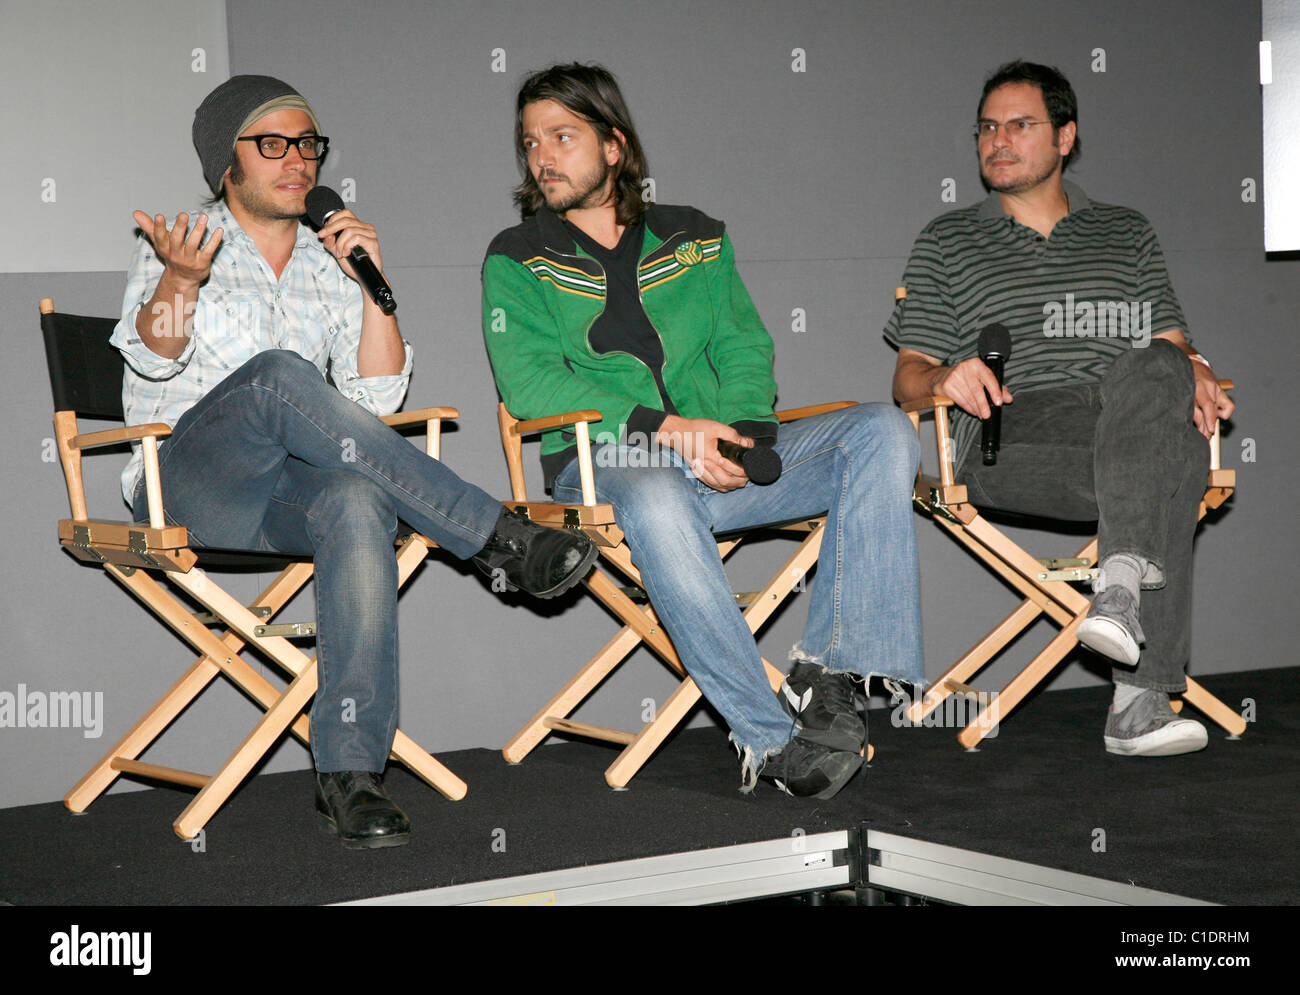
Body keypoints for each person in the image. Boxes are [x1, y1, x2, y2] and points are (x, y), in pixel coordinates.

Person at [111, 75, 596, 848]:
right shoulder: (183, 242)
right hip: (185, 483)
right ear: (224, 163)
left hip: (279, 496)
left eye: (308, 143)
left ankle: (349, 771)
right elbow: (152, 357)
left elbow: (369, 407)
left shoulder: (326, 258)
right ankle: (494, 532)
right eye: (272, 144)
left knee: (357, 498)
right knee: (277, 375)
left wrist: (373, 286)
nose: (297, 160)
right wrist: (180, 279)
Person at [481, 63, 924, 799]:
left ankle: (831, 673)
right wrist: (673, 430)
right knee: (656, 487)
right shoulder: (516, 255)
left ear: (614, 146)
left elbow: (743, 347)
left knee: (882, 430)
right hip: (607, 463)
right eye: (531, 142)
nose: (543, 157)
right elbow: (531, 382)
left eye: (563, 135)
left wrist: (744, 439)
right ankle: (767, 735)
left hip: (723, 461)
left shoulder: (697, 236)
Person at [885, 60, 1235, 757]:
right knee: (1175, 456)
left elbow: (1173, 354)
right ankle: (1139, 699)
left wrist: (1197, 369)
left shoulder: (1126, 230)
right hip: (1009, 433)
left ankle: (1119, 591)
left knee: (1166, 372)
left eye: (1020, 124)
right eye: (987, 127)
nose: (998, 140)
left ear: (1066, 137)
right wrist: (947, 377)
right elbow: (906, 380)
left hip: (1122, 418)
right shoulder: (945, 240)